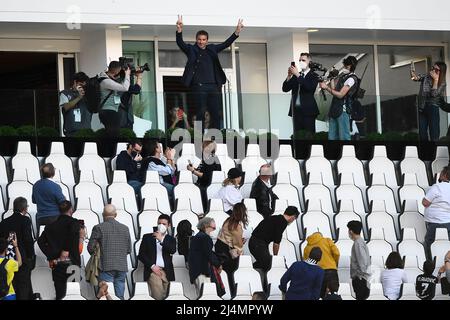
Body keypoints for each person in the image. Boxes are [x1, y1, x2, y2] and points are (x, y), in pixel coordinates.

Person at [176, 15, 244, 130]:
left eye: (203, 40)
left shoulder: (212, 49)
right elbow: (180, 43)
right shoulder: (191, 49)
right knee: (200, 113)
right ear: (196, 39)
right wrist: (179, 30)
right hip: (199, 86)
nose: (201, 42)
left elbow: (225, 44)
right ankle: (199, 138)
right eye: (199, 39)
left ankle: (216, 138)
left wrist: (236, 32)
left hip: (213, 86)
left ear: (207, 40)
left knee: (215, 114)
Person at [37, 201, 83, 300]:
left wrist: (50, 255)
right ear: (71, 209)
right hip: (73, 263)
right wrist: (65, 249)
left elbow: (40, 241)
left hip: (57, 264)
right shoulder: (74, 223)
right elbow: (71, 235)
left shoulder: (50, 225)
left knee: (60, 295)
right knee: (74, 295)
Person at [88, 204, 131, 300]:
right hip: (121, 266)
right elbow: (129, 250)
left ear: (103, 215)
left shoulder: (98, 227)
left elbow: (90, 248)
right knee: (119, 296)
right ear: (115, 215)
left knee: (106, 295)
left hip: (105, 266)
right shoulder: (125, 228)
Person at [0, 197, 35, 300]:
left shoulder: (3, 222)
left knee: (11, 283)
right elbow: (28, 239)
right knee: (23, 286)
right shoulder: (25, 220)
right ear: (25, 208)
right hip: (22, 259)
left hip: (7, 260)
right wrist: (30, 256)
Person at [319, 56, 359, 141]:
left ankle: (346, 154)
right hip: (335, 109)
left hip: (343, 111)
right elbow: (335, 91)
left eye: (346, 66)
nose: (344, 67)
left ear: (350, 66)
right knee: (332, 137)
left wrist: (326, 88)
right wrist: (332, 78)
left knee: (344, 137)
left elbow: (340, 94)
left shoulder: (351, 79)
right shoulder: (344, 77)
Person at [249, 206, 300, 272]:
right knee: (269, 263)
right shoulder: (283, 223)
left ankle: (251, 269)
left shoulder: (276, 218)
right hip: (258, 243)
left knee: (265, 263)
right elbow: (276, 243)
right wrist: (276, 257)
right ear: (293, 217)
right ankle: (249, 269)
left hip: (255, 242)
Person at [138, 214, 176, 300]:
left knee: (167, 296)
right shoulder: (147, 237)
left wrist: (161, 240)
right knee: (158, 295)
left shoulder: (171, 239)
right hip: (153, 271)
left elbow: (172, 250)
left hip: (167, 271)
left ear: (169, 225)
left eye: (164, 224)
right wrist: (152, 266)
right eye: (159, 223)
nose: (161, 225)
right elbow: (141, 255)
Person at [282, 53, 320, 136]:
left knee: (309, 136)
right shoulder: (296, 75)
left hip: (308, 111)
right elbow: (285, 89)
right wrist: (289, 76)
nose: (301, 62)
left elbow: (309, 88)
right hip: (296, 110)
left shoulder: (314, 75)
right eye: (299, 60)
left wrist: (298, 75)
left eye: (303, 60)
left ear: (309, 62)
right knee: (298, 135)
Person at [214, 203, 248, 295]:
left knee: (222, 273)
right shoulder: (236, 226)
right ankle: (233, 294)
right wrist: (241, 246)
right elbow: (238, 244)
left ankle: (221, 292)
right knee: (231, 274)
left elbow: (227, 236)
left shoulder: (227, 221)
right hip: (227, 253)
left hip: (220, 247)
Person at [412, 61, 447, 141]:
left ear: (441, 72)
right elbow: (415, 78)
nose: (433, 71)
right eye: (433, 68)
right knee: (422, 134)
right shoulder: (426, 76)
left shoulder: (442, 83)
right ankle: (425, 152)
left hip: (433, 108)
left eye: (436, 70)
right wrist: (412, 72)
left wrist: (436, 80)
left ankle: (434, 152)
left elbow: (434, 94)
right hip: (422, 106)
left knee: (434, 133)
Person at [188, 217, 222, 296]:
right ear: (206, 226)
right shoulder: (205, 238)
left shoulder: (198, 236)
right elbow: (209, 254)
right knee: (207, 296)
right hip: (202, 272)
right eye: (213, 228)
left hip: (197, 272)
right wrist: (218, 264)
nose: (214, 230)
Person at [422, 166, 450, 260]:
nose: (440, 174)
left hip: (435, 222)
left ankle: (429, 262)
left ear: (445, 175)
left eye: (441, 172)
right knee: (446, 244)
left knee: (429, 243)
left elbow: (425, 203)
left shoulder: (437, 187)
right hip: (448, 222)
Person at [98, 60, 131, 137]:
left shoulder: (106, 78)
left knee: (111, 134)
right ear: (117, 70)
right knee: (113, 135)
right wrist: (127, 74)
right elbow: (125, 87)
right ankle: (110, 148)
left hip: (110, 111)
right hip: (108, 111)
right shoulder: (105, 81)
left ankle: (110, 148)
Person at [303, 231, 340, 298]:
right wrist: (334, 264)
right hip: (331, 271)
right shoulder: (327, 240)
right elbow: (337, 253)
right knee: (333, 294)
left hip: (316, 273)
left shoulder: (306, 248)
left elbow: (307, 263)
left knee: (320, 295)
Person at [187, 140, 221, 211]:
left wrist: (193, 171)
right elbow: (201, 171)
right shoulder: (207, 158)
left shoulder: (211, 159)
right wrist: (193, 168)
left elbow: (206, 176)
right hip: (203, 184)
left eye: (203, 146)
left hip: (206, 186)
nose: (201, 148)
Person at [32, 163, 66, 230]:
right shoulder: (55, 186)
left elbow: (34, 200)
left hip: (41, 217)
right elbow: (62, 203)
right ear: (53, 172)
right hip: (54, 217)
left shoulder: (36, 185)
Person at [144, 140, 176, 206]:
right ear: (156, 149)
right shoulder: (150, 162)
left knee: (178, 189)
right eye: (159, 146)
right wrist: (169, 159)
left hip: (165, 184)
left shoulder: (161, 160)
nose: (161, 147)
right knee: (176, 190)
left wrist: (171, 159)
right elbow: (167, 171)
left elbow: (172, 172)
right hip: (158, 185)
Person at [59, 72, 91, 136]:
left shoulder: (88, 95)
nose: (82, 87)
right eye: (80, 85)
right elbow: (66, 107)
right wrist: (79, 97)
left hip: (86, 131)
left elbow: (95, 108)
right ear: (75, 82)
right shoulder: (65, 93)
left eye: (84, 86)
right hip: (71, 131)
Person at [347, 220, 371, 300]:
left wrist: (360, 276)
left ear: (351, 231)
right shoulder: (361, 242)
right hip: (363, 279)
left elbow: (362, 262)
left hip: (360, 279)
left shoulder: (357, 243)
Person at [0, 236, 22, 300]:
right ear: (6, 250)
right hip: (9, 294)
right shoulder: (10, 263)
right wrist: (16, 246)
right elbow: (20, 263)